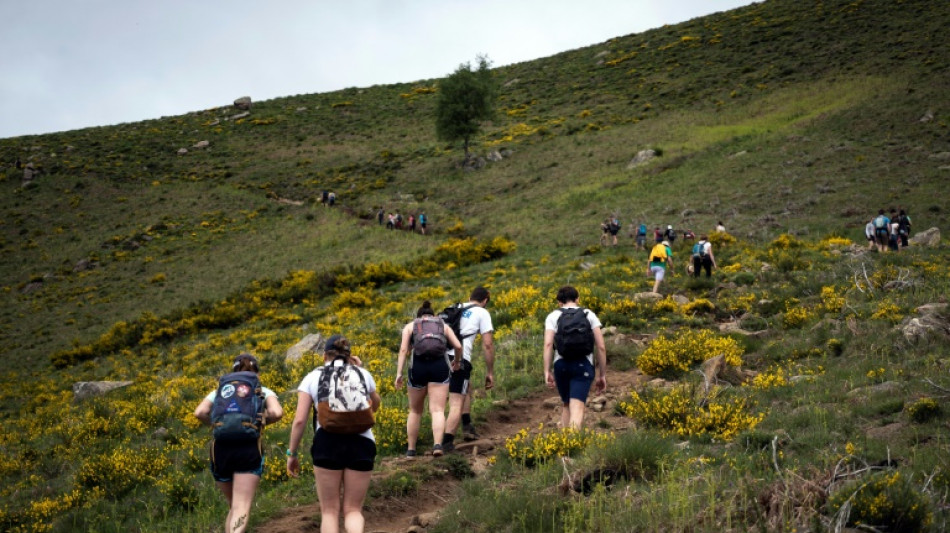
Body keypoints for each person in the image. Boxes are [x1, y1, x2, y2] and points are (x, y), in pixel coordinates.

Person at [287, 335, 381, 533]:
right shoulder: (362, 373)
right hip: (362, 442)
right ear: (349, 356)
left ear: (324, 356)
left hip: (327, 442)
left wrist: (292, 454)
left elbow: (300, 421)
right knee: (353, 510)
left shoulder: (312, 377)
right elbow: (376, 405)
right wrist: (360, 369)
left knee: (329, 512)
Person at [194, 353, 284, 533]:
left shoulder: (220, 391)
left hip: (220, 450)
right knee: (241, 506)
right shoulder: (262, 390)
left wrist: (215, 425)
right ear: (257, 372)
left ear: (234, 371)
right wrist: (261, 422)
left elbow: (199, 412)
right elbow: (277, 413)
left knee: (233, 507)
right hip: (248, 448)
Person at [395, 302, 463, 457]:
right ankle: (437, 445)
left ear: (419, 316)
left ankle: (411, 450)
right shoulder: (443, 325)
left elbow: (404, 350)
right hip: (439, 367)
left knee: (415, 410)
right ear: (433, 316)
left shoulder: (410, 326)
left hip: (418, 367)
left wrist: (399, 373)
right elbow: (458, 346)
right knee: (437, 410)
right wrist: (457, 362)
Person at [543, 285, 607, 429]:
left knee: (566, 404)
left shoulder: (553, 316)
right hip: (583, 364)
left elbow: (548, 344)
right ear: (577, 299)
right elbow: (601, 347)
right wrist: (602, 375)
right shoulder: (588, 314)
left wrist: (547, 371)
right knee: (577, 407)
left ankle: (565, 444)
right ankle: (572, 447)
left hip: (561, 365)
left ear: (559, 302)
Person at [443, 286, 495, 450]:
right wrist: (490, 372)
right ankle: (447, 442)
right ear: (485, 300)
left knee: (467, 387)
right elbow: (487, 345)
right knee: (456, 401)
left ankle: (467, 425)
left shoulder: (456, 307)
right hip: (459, 358)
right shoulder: (482, 312)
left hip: (440, 357)